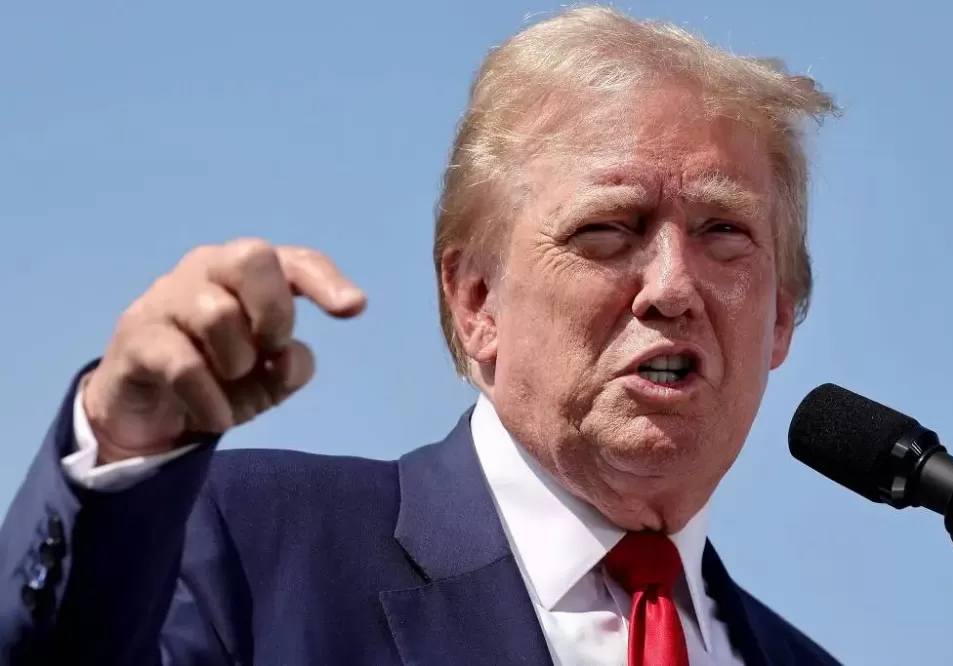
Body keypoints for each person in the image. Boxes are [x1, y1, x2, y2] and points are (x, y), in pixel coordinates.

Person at [0, 6, 842, 665]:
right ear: (477, 301)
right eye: (609, 229)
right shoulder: (250, 548)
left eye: (725, 232)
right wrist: (119, 445)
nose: (672, 287)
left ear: (777, 317)